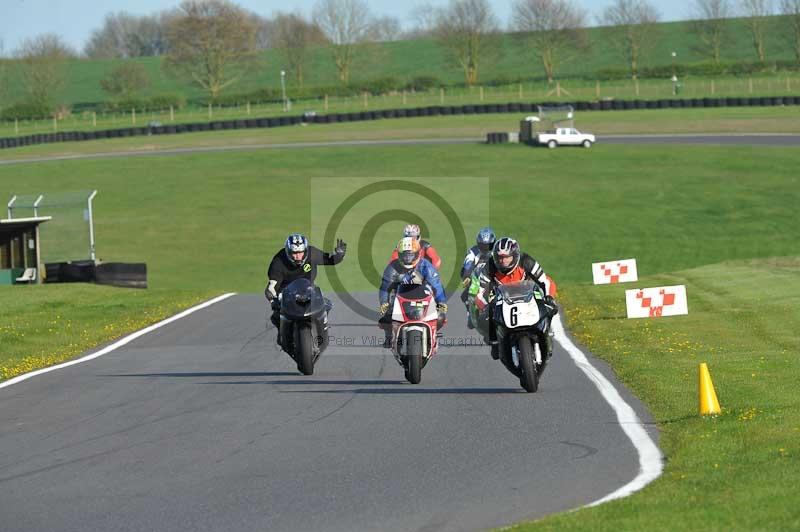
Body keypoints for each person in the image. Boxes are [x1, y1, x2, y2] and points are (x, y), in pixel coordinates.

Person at [474, 237, 557, 358]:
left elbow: (545, 281)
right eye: (500, 258)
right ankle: (495, 343)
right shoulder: (489, 266)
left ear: (515, 255)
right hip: (503, 301)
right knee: (482, 318)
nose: (503, 261)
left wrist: (549, 297)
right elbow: (480, 293)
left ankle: (546, 333)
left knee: (549, 307)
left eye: (507, 257)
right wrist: (485, 306)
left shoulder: (526, 261)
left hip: (528, 297)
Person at [265, 233, 347, 329]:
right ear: (288, 252)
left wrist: (339, 255)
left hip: (308, 288)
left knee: (326, 304)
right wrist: (273, 300)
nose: (298, 256)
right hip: (285, 292)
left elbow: (330, 260)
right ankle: (283, 334)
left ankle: (322, 327)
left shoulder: (313, 254)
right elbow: (271, 287)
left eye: (301, 252)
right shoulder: (278, 262)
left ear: (306, 250)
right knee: (277, 315)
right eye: (294, 253)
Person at [378, 236, 447, 348]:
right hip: (399, 296)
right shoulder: (392, 267)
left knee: (440, 317)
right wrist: (384, 303)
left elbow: (436, 285)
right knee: (386, 317)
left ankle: (432, 335)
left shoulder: (426, 266)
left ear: (418, 254)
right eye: (405, 255)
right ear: (399, 255)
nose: (408, 259)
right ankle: (389, 337)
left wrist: (441, 302)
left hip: (423, 296)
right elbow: (385, 288)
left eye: (411, 255)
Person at [460, 227, 496, 327]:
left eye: (488, 246)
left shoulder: (496, 252)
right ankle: (470, 313)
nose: (485, 248)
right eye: (483, 246)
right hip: (477, 277)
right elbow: (468, 264)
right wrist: (467, 276)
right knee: (465, 294)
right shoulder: (473, 252)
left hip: (493, 277)